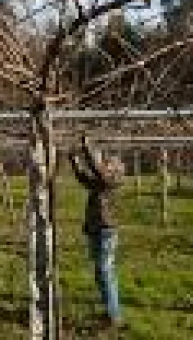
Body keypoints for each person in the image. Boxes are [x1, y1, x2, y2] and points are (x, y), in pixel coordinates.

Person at [69, 135, 125, 329]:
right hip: (95, 230)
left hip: (106, 231)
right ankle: (110, 310)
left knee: (105, 271)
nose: (105, 164)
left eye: (109, 163)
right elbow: (84, 179)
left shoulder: (113, 179)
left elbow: (99, 173)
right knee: (100, 272)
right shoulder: (101, 181)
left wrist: (86, 147)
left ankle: (115, 316)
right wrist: (75, 161)